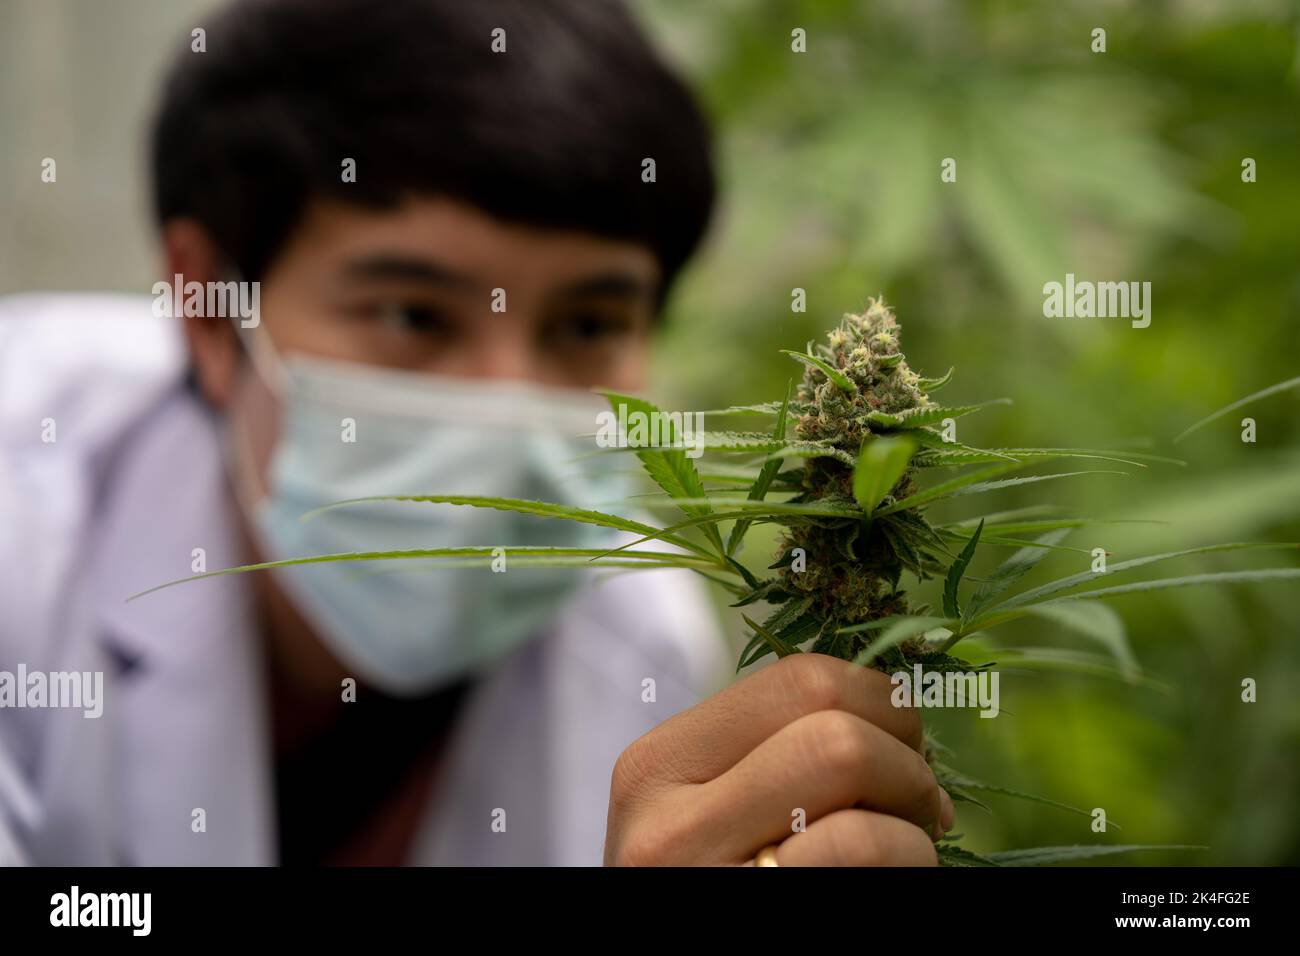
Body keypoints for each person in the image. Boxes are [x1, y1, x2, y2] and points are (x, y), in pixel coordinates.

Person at [0, 0, 951, 866]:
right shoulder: (24, 543)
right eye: (415, 316)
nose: (510, 409)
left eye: (585, 325)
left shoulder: (643, 643)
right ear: (210, 310)